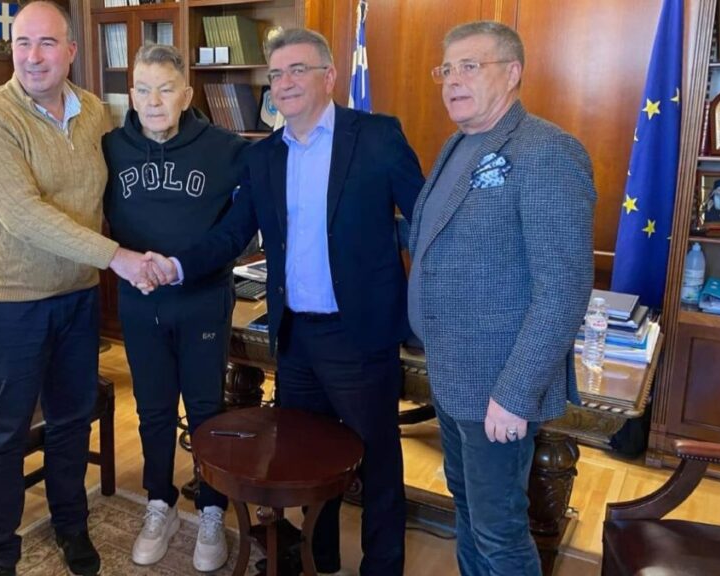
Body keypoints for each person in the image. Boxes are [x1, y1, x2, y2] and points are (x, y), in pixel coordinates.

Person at [145, 28, 425, 576]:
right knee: (308, 458)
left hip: (359, 334)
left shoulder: (376, 136)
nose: (286, 82)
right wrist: (176, 266)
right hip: (295, 336)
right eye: (276, 74)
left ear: (329, 76)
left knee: (378, 461)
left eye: (299, 69)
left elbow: (426, 221)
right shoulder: (265, 155)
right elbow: (232, 233)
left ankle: (383, 566)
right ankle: (322, 557)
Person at [0, 2, 154, 575]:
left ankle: (71, 526)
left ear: (71, 51)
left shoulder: (95, 112)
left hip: (76, 296)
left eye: (47, 43)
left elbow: (122, 187)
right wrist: (118, 258)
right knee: (3, 435)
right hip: (7, 302)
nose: (33, 56)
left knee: (71, 421)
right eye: (23, 43)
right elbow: (23, 214)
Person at [410, 21, 595, 575]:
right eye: (447, 69)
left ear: (512, 73)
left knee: (499, 532)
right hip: (451, 373)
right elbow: (440, 242)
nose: (453, 80)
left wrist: (516, 394)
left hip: (498, 385)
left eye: (470, 66)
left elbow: (563, 287)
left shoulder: (547, 151)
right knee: (469, 511)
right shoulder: (458, 144)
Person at [102, 43, 249, 572]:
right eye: (143, 90)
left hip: (202, 300)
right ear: (131, 94)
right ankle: (159, 502)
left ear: (187, 95)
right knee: (153, 409)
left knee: (206, 408)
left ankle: (211, 509)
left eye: (166, 89)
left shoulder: (226, 149)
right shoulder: (110, 148)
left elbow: (246, 221)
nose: (154, 101)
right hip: (140, 303)